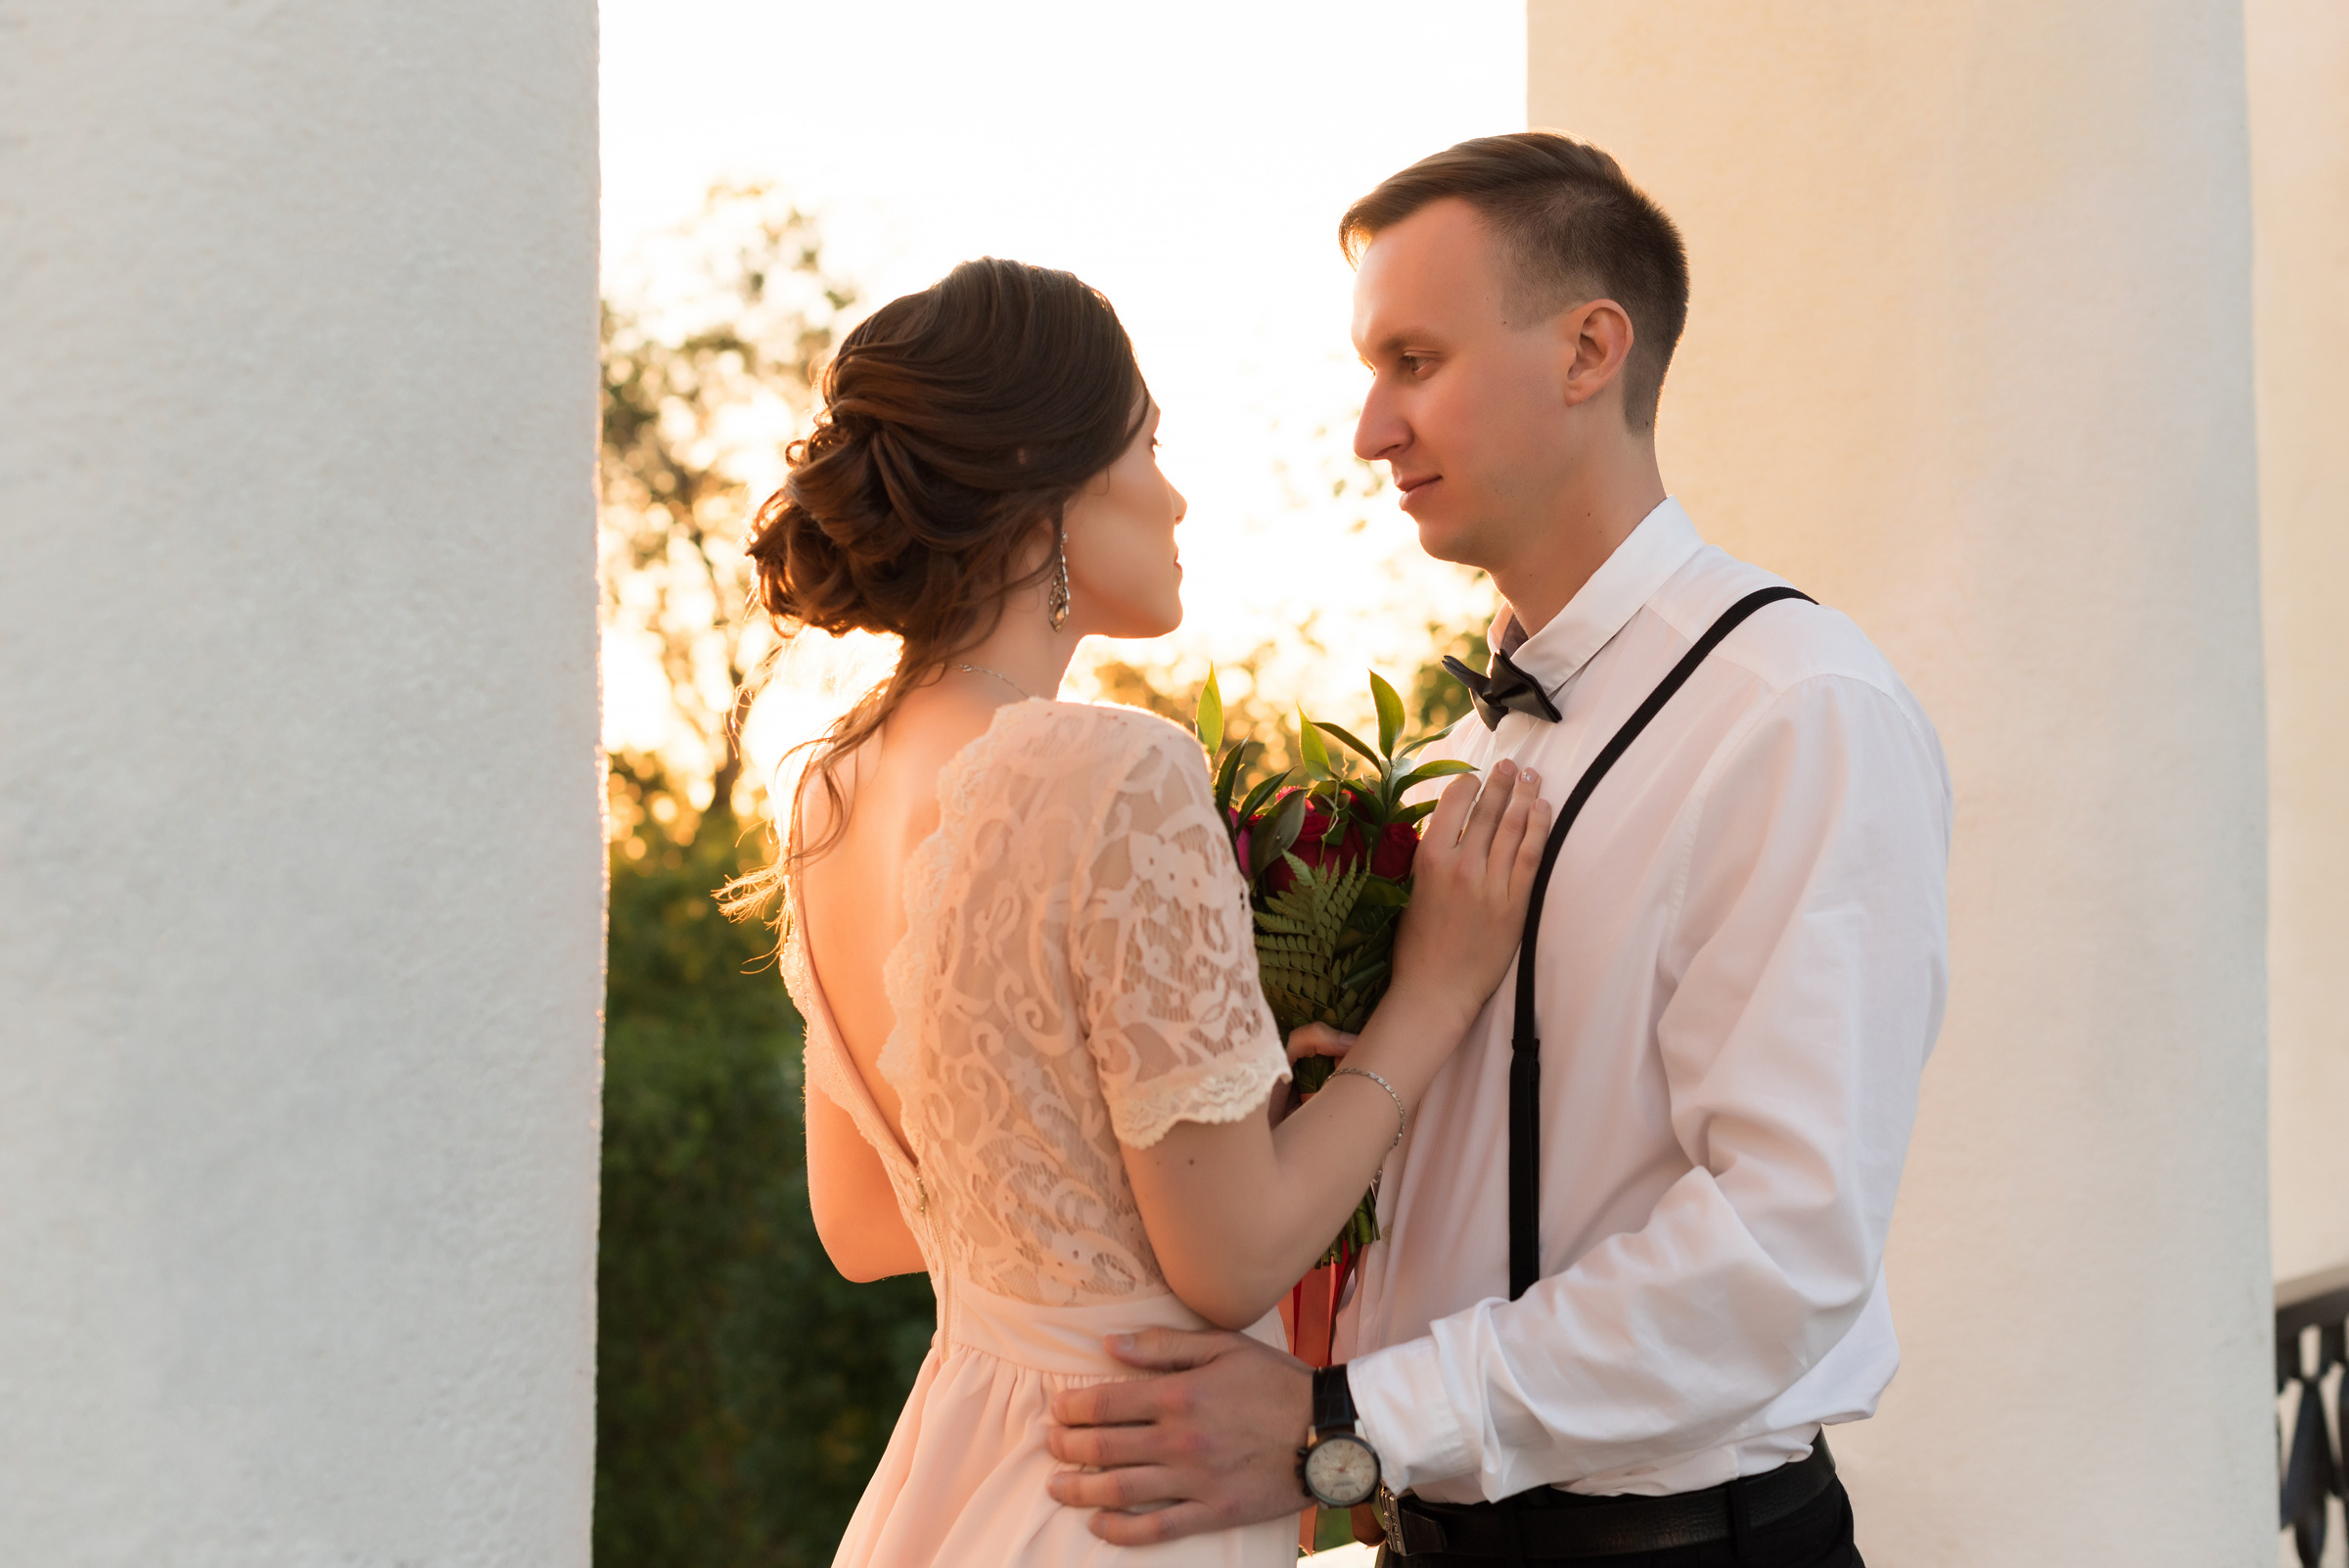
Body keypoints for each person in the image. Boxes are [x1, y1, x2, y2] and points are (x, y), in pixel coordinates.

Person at [1045, 135, 1951, 1568]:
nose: (1369, 429)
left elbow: (1782, 1251)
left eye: (1415, 360)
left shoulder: (1796, 709)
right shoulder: (1484, 743)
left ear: (1592, 348)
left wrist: (1340, 1417)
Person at [740, 256, 1553, 1567]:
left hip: (958, 1477)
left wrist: (1224, 1111)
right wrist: (1435, 996)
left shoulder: (832, 788)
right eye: (1152, 445)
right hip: (1121, 1496)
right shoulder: (1110, 769)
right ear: (1043, 477)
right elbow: (1234, 1263)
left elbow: (869, 1224)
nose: (1174, 497)